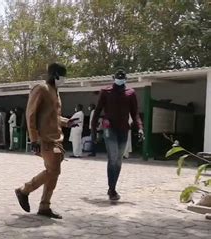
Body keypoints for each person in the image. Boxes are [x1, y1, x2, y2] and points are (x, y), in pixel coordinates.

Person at [15, 63, 78, 219]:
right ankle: (24, 190)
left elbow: (52, 116)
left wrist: (65, 122)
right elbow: (31, 114)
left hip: (57, 138)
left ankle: (45, 206)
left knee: (54, 173)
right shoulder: (40, 89)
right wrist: (34, 139)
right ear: (55, 74)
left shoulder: (55, 92)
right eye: (63, 76)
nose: (64, 79)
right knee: (54, 170)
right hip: (45, 139)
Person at [91, 68, 144, 201]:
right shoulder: (106, 92)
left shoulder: (130, 93)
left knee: (118, 160)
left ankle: (112, 188)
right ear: (113, 78)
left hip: (123, 130)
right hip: (109, 129)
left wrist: (140, 128)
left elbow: (135, 113)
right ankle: (112, 189)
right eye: (118, 77)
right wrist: (93, 130)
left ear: (125, 79)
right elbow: (97, 111)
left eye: (122, 77)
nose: (120, 79)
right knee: (113, 157)